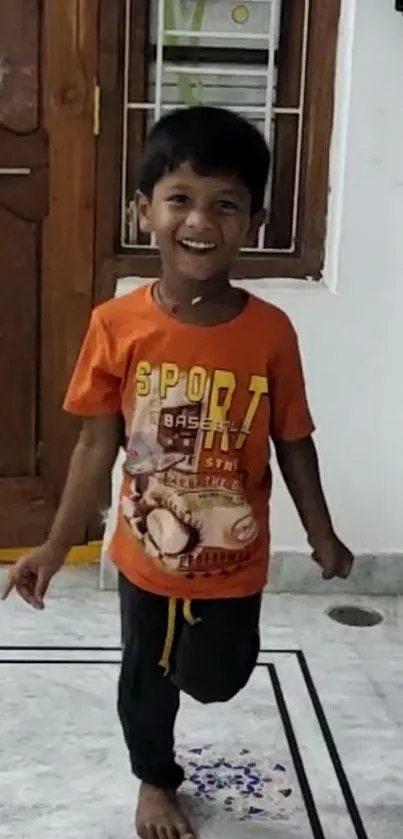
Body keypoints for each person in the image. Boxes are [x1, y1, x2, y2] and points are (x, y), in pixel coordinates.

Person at [2, 106, 353, 839]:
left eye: (225, 203)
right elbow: (95, 447)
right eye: (180, 198)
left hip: (233, 562)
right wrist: (55, 543)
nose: (201, 219)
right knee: (145, 682)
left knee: (215, 677)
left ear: (251, 222)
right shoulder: (116, 324)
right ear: (144, 210)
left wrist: (322, 533)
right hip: (143, 556)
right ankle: (154, 779)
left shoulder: (269, 333)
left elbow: (293, 440)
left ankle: (193, 673)